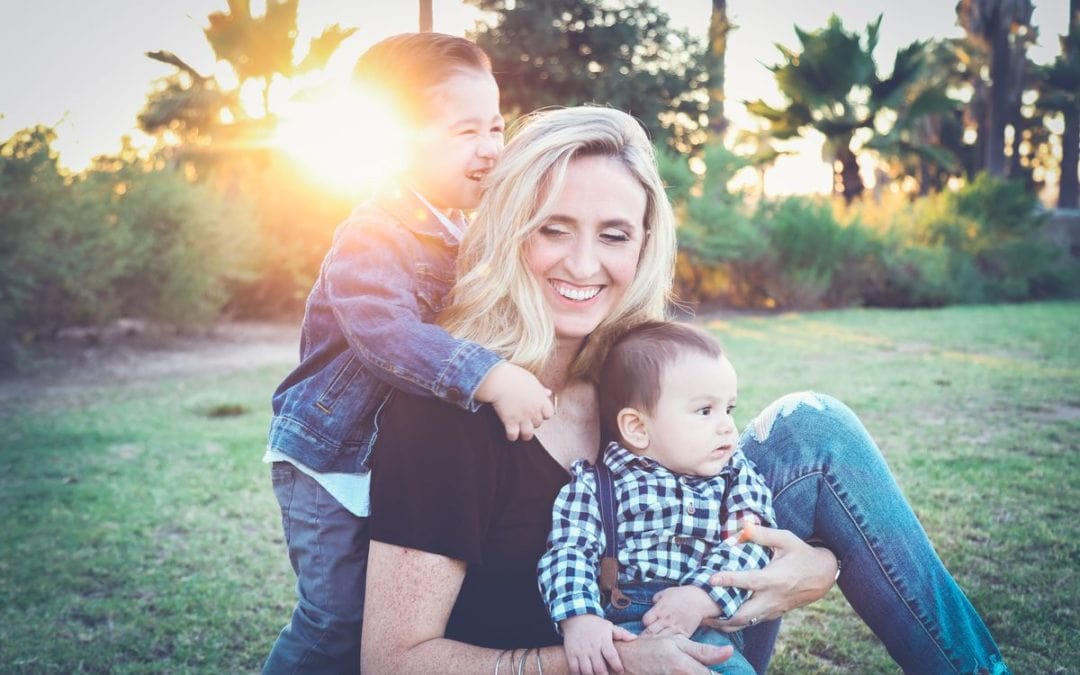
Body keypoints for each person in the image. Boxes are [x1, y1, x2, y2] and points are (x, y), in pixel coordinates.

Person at [361, 105, 1011, 675]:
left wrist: (817, 569)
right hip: (589, 661)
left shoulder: (635, 368)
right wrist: (606, 660)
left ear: (643, 245)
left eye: (613, 234)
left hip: (690, 632)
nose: (584, 265)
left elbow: (727, 513)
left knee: (814, 427)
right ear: (508, 228)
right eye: (553, 228)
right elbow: (394, 660)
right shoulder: (444, 411)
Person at [261, 33, 554, 673]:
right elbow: (387, 337)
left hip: (389, 461)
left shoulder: (463, 229)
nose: (490, 147)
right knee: (337, 622)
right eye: (465, 131)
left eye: (496, 126)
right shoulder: (372, 234)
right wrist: (491, 376)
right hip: (330, 464)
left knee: (397, 613)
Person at [539, 320, 774, 675]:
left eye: (729, 409)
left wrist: (701, 597)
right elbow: (568, 551)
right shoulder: (597, 483)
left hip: (705, 627)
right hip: (623, 630)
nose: (726, 425)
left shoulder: (735, 474)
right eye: (705, 411)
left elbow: (752, 540)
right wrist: (580, 618)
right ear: (637, 427)